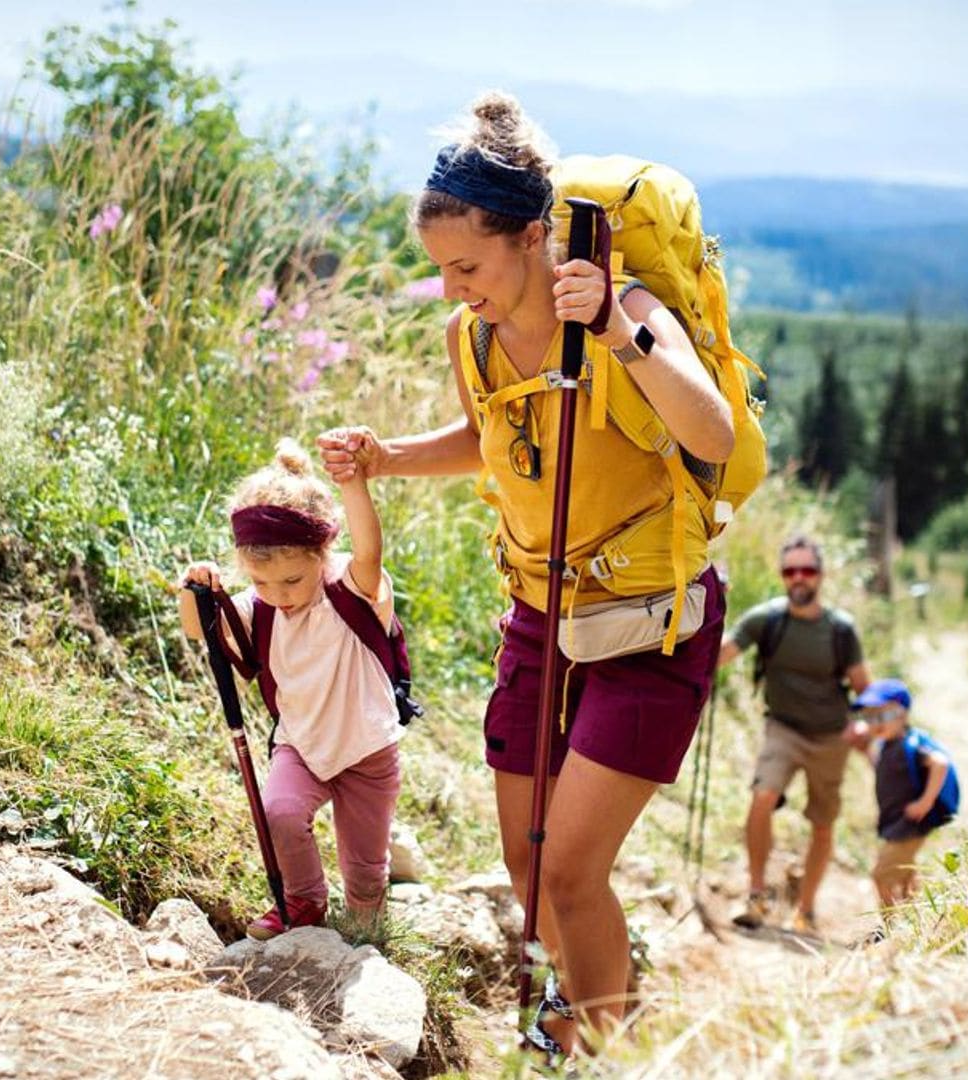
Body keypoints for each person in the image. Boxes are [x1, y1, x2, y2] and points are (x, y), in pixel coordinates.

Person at [316, 91, 733, 1055]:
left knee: (573, 872)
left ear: (535, 236)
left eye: (468, 265)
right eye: (441, 270)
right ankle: (570, 1030)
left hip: (648, 621)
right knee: (527, 861)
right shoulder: (473, 333)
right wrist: (386, 457)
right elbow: (490, 436)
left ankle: (602, 1050)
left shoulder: (624, 308)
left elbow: (708, 429)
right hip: (540, 616)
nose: (455, 287)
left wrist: (624, 339)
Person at [177, 439, 402, 940]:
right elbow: (200, 629)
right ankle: (304, 903)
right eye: (261, 582)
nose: (279, 596)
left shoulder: (350, 587)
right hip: (301, 743)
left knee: (365, 865)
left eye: (293, 581)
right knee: (280, 811)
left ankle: (368, 926)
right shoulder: (261, 608)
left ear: (323, 554)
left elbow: (370, 548)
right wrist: (192, 589)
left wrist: (353, 482)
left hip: (367, 748)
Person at [716, 535, 869, 933]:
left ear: (821, 576)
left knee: (822, 823)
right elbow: (722, 653)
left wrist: (874, 730)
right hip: (782, 728)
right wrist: (710, 608)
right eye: (790, 571)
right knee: (762, 796)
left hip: (831, 737)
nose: (799, 578)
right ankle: (756, 895)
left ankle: (806, 908)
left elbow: (865, 688)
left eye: (807, 570)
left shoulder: (840, 630)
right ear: (782, 576)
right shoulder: (766, 620)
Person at [846, 677, 956, 909]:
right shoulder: (887, 747)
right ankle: (916, 912)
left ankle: (891, 923)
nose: (876, 724)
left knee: (880, 875)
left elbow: (940, 763)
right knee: (906, 873)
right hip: (896, 821)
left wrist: (925, 802)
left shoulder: (912, 745)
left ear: (903, 714)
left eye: (883, 716)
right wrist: (866, 752)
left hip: (911, 823)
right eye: (870, 717)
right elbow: (885, 773)